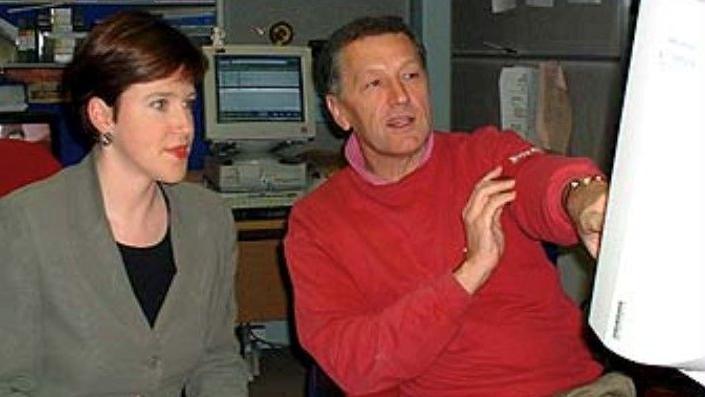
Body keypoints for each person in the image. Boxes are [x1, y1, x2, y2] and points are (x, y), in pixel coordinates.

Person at [284, 16, 633, 397]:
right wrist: (468, 274)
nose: (400, 96)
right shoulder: (317, 222)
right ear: (339, 111)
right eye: (374, 83)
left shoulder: (484, 155)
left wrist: (584, 197)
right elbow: (354, 363)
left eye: (411, 76)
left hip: (576, 388)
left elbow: (542, 179)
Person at [0, 11, 249, 396]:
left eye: (187, 102)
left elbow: (217, 361)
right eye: (159, 103)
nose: (185, 125)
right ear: (103, 116)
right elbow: (10, 384)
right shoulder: (25, 224)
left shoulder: (209, 219)